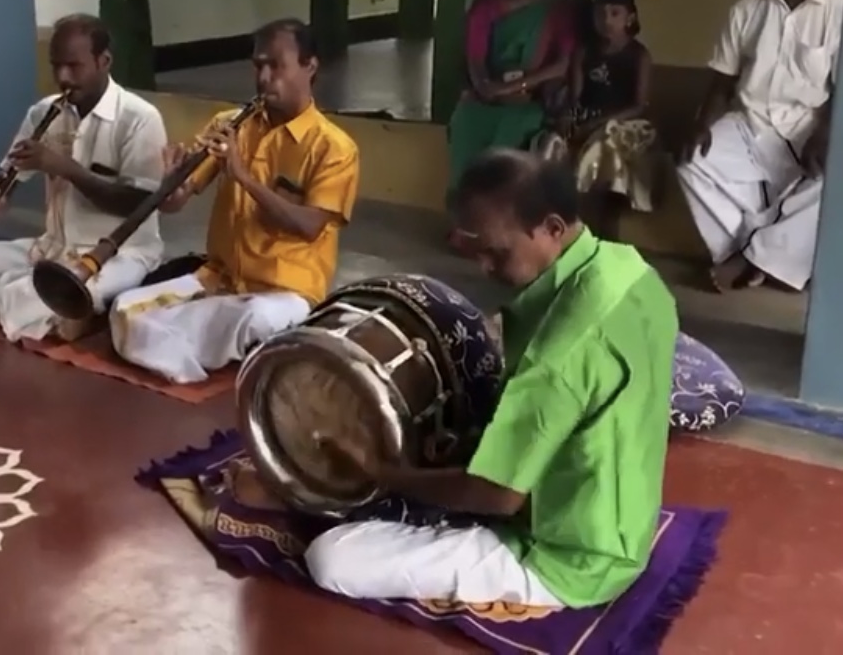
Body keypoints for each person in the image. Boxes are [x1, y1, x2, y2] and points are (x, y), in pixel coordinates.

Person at [230, 150, 676, 608]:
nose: (484, 268)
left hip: (570, 557)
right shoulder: (632, 271)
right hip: (624, 516)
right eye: (474, 248)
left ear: (553, 229)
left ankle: (337, 498)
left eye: (496, 252)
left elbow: (498, 496)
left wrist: (383, 473)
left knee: (333, 560)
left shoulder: (558, 354)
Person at [108, 18, 360, 384]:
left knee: (254, 319)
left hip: (285, 292)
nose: (264, 78)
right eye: (258, 65)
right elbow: (176, 203)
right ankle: (209, 355)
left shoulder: (334, 148)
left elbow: (309, 226)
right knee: (124, 311)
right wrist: (170, 184)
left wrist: (243, 176)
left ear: (310, 67)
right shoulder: (229, 124)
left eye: (277, 66)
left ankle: (193, 344)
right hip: (221, 279)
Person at [0, 14, 167, 342]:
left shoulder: (139, 119)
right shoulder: (43, 112)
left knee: (24, 296)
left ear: (104, 61)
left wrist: (64, 167)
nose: (63, 77)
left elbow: (139, 205)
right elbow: (13, 175)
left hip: (118, 254)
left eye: (74, 66)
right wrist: (0, 193)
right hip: (53, 247)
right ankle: (72, 314)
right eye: (56, 66)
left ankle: (72, 309)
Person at [677, 0, 840, 293]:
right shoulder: (746, 11)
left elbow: (840, 91)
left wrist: (827, 132)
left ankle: (750, 258)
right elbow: (722, 82)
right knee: (690, 161)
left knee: (836, 181)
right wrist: (701, 123)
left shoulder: (838, 13)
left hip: (806, 129)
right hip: (748, 123)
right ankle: (752, 253)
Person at [447, 0, 575, 193]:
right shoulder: (486, 8)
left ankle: (504, 223)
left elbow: (562, 65)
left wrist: (514, 88)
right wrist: (485, 87)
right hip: (487, 99)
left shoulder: (558, 8)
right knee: (464, 121)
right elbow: (475, 60)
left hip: (530, 102)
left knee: (516, 137)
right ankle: (467, 223)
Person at [532, 0, 658, 239]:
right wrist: (569, 115)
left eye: (615, 14)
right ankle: (555, 225)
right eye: (601, 13)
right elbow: (576, 96)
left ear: (629, 18)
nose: (606, 20)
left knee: (605, 146)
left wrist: (598, 124)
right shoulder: (584, 51)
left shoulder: (639, 55)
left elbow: (639, 105)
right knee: (551, 143)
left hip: (624, 123)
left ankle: (606, 230)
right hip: (588, 116)